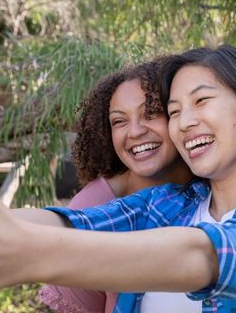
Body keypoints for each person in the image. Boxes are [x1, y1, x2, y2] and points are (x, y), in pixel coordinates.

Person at [0, 45, 236, 313]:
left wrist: (28, 252)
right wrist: (4, 223)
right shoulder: (169, 202)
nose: (185, 122)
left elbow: (209, 258)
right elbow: (80, 224)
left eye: (202, 100)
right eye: (175, 111)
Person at [39, 60, 192, 312]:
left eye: (150, 113)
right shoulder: (93, 207)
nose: (134, 131)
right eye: (119, 121)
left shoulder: (215, 186)